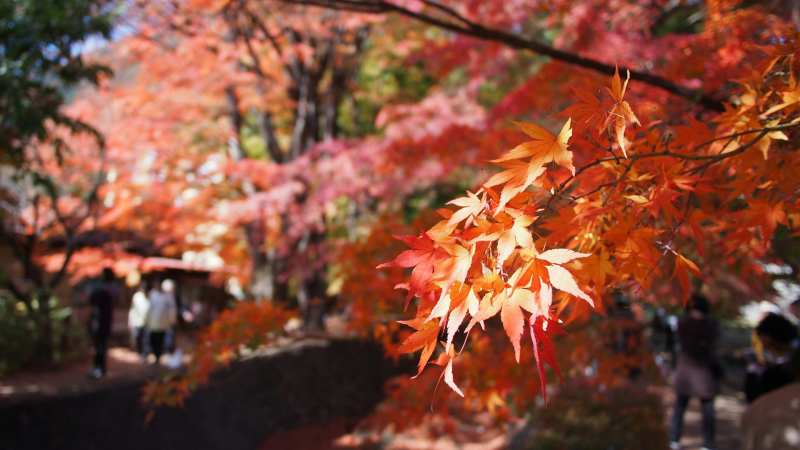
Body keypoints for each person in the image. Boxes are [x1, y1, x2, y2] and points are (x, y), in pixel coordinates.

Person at [669, 294, 719, 450]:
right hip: (704, 372)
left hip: (685, 372)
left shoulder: (682, 324)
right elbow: (713, 348)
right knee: (708, 409)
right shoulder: (711, 326)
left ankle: (675, 439)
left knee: (680, 407)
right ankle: (708, 443)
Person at [744, 313, 799, 403]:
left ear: (766, 338)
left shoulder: (774, 374)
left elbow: (755, 400)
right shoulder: (791, 365)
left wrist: (753, 372)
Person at [88, 268, 119, 379]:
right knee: (99, 344)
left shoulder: (104, 290)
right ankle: (98, 367)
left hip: (102, 321)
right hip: (100, 320)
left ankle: (99, 367)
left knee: (100, 345)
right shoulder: (101, 288)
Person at [145, 279, 177, 364]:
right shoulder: (153, 294)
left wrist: (172, 318)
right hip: (153, 322)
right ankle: (154, 353)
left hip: (163, 323)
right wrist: (147, 319)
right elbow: (149, 307)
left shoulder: (167, 296)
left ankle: (157, 356)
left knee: (160, 340)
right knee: (153, 340)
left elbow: (172, 308)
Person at [127, 282, 150, 359]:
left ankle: (145, 352)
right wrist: (131, 320)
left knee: (146, 338)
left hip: (147, 322)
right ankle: (140, 352)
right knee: (137, 337)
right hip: (138, 321)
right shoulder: (137, 297)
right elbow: (133, 309)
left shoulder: (148, 296)